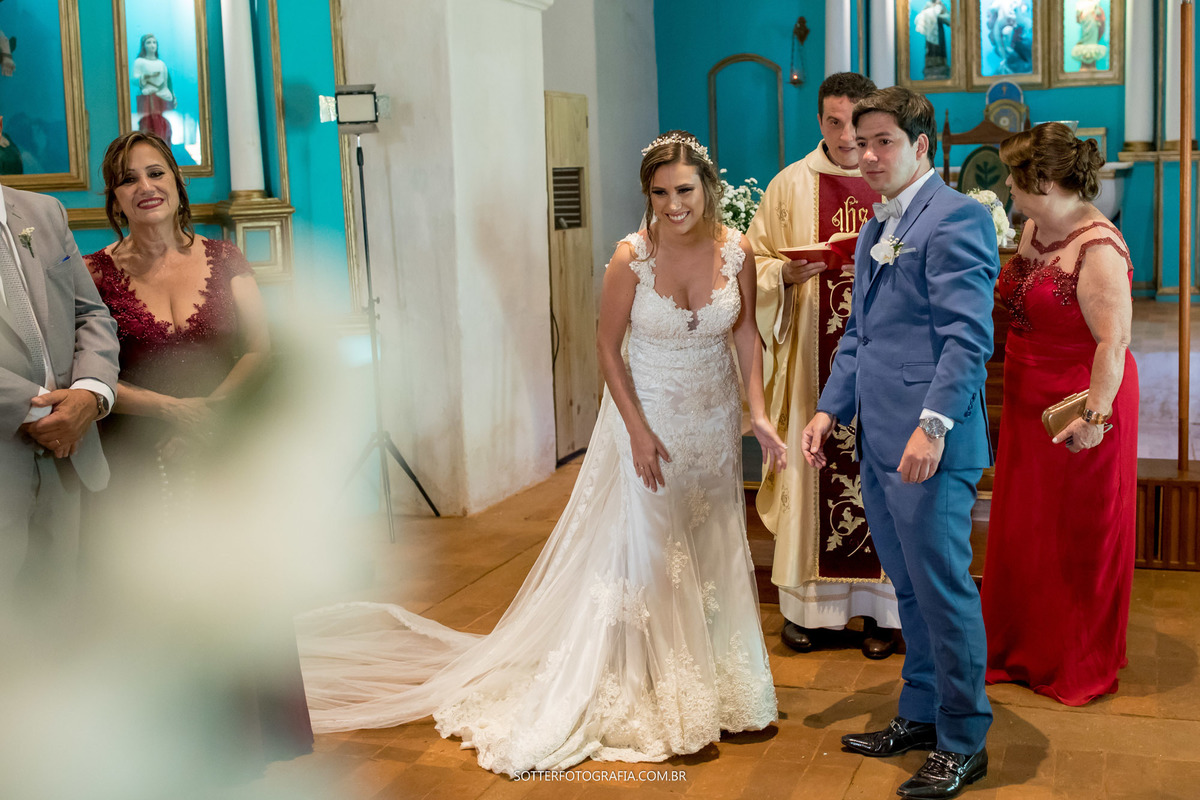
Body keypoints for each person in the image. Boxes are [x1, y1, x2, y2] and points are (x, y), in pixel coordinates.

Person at [295, 130, 788, 776]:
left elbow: (746, 331)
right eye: (661, 192)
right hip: (650, 421)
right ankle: (675, 705)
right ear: (648, 195)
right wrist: (636, 430)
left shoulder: (737, 253)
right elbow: (608, 348)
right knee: (651, 557)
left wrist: (757, 411)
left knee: (712, 542)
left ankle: (728, 692)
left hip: (713, 423)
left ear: (708, 189)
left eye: (685, 190)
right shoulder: (630, 258)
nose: (674, 204)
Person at [83, 131, 313, 777]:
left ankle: (250, 733)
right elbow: (89, 376)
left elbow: (261, 350)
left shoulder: (226, 257)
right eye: (129, 179)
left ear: (178, 184)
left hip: (222, 453)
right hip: (139, 460)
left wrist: (210, 413)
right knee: (157, 596)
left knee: (235, 588)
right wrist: (170, 411)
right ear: (115, 198)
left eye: (157, 172)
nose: (146, 186)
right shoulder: (93, 273)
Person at [801, 87, 997, 798]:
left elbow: (967, 342)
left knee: (942, 592)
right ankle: (920, 713)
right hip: (879, 438)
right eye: (861, 140)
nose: (868, 154)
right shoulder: (874, 228)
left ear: (922, 146)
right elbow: (861, 334)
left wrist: (933, 427)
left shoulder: (957, 219)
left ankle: (964, 737)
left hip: (929, 446)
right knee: (907, 588)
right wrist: (829, 411)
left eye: (884, 140)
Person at [982, 122, 1137, 706]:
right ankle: (1020, 648)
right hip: (1026, 396)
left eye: (1014, 178)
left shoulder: (1097, 247)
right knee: (1028, 528)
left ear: (1043, 181)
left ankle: (1070, 658)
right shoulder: (1035, 227)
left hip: (1079, 404)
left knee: (1074, 534)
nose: (1007, 187)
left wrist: (1094, 420)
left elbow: (1112, 344)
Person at [748, 72, 901, 660]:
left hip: (882, 365)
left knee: (878, 475)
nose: (845, 137)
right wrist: (782, 275)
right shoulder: (790, 187)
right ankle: (810, 613)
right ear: (819, 121)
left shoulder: (893, 178)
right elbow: (755, 265)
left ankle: (882, 615)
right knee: (816, 476)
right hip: (811, 365)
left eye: (854, 123)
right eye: (833, 123)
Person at [0, 113, 118, 608]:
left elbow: (91, 312)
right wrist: (39, 410)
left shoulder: (44, 213)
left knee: (59, 626)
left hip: (69, 458)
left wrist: (90, 394)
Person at [914, 0, 952, 80]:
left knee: (940, 49)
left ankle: (941, 64)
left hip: (939, 32)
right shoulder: (928, 5)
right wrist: (930, 13)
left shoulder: (941, 5)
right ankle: (931, 65)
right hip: (930, 33)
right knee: (930, 49)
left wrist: (938, 13)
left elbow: (948, 19)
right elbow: (921, 17)